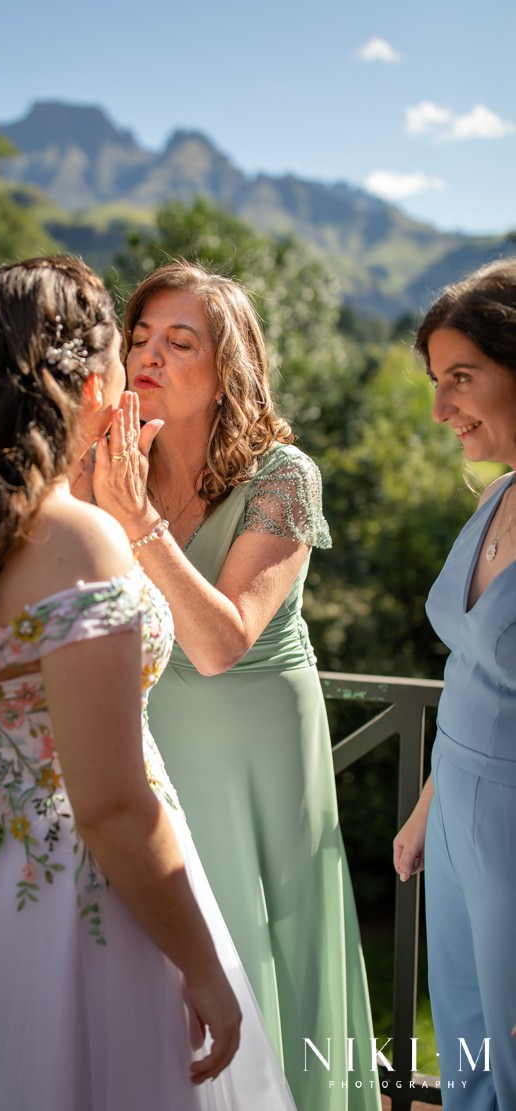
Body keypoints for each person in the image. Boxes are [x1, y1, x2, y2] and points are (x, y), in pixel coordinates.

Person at [0, 256, 293, 1109]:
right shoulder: (76, 540)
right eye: (124, 348)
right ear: (90, 376)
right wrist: (202, 967)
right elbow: (111, 804)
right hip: (75, 897)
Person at [87, 261, 376, 1110]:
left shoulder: (284, 476)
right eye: (139, 336)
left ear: (228, 370)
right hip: (154, 739)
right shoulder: (104, 462)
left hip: (260, 745)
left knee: (262, 938)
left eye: (181, 341)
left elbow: (218, 642)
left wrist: (135, 519)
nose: (150, 354)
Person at [392, 259, 516, 1110]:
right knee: (470, 1047)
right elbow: (470, 665)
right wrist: (434, 798)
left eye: (461, 378)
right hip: (461, 809)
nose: (441, 410)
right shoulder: (499, 494)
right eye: (438, 382)